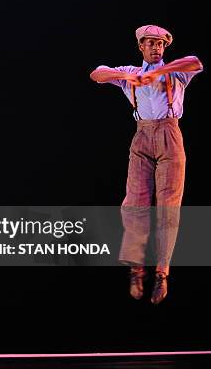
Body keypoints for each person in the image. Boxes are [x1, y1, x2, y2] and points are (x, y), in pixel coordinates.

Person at [90, 25, 203, 304]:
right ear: (140, 46)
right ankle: (136, 268)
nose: (156, 48)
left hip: (169, 134)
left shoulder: (175, 71)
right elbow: (97, 74)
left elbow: (195, 62)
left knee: (168, 205)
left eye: (160, 45)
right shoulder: (130, 72)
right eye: (150, 43)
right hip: (141, 135)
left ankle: (162, 273)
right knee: (134, 203)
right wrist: (129, 75)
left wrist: (158, 72)